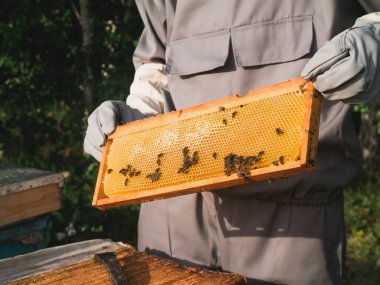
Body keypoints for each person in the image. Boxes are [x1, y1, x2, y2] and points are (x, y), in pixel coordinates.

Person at [84, 1, 380, 284]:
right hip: (171, 211)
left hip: (290, 220)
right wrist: (138, 117)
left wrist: (374, 37)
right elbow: (157, 61)